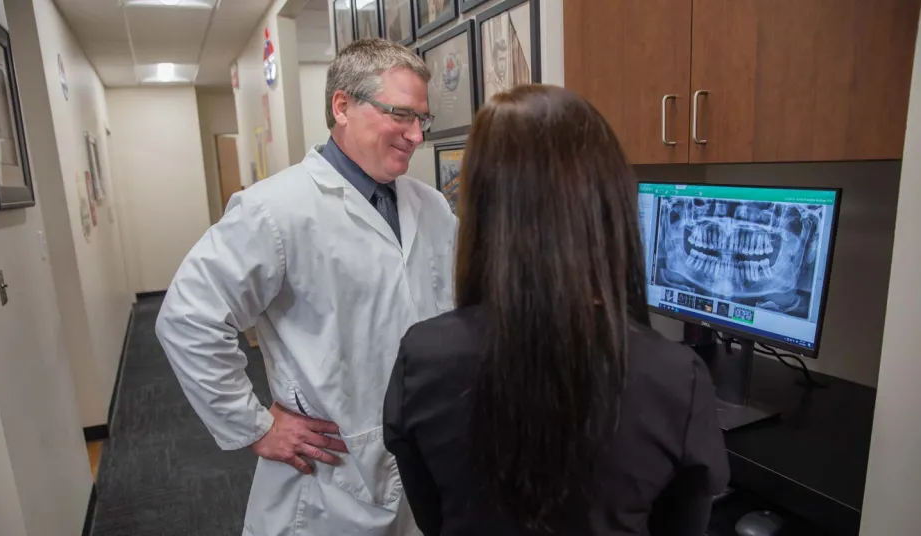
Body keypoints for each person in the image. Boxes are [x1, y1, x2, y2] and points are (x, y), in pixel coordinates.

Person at [383, 85, 730, 536]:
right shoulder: (675, 378)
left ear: (483, 209)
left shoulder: (423, 357)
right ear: (608, 204)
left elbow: (434, 519)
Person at [156, 38, 457, 536]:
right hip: (329, 479)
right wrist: (255, 426)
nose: (415, 135)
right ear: (342, 106)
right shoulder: (274, 210)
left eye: (421, 120)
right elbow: (189, 318)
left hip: (423, 458)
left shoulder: (432, 207)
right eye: (400, 115)